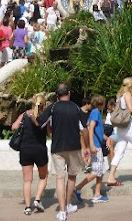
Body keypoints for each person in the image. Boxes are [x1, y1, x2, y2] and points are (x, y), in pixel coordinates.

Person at [36, 83, 89, 221]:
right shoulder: (76, 108)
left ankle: (62, 211)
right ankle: (68, 204)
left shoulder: (53, 107)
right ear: (69, 93)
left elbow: (39, 122)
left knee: (60, 178)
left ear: (57, 95)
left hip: (57, 147)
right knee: (72, 176)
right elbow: (84, 129)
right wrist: (87, 147)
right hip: (74, 146)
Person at [11, 94, 48, 216]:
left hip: (25, 149)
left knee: (27, 180)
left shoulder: (25, 114)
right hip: (40, 149)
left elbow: (14, 127)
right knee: (43, 176)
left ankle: (27, 207)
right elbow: (49, 133)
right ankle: (37, 200)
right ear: (44, 104)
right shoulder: (44, 117)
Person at [74, 95, 110, 204]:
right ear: (101, 104)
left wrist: (107, 139)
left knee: (100, 170)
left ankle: (97, 194)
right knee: (97, 171)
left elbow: (96, 130)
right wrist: (92, 145)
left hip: (97, 143)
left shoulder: (94, 112)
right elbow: (91, 128)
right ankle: (78, 188)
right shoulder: (96, 113)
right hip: (96, 145)